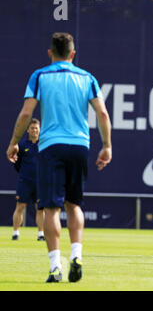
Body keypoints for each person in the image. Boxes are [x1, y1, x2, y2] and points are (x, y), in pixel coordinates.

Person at [6, 32, 112, 283]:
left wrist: (13, 143)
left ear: (50, 53)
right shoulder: (87, 78)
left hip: (51, 146)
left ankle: (55, 266)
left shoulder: (40, 75)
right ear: (73, 54)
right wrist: (107, 145)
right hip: (79, 146)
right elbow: (103, 114)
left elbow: (25, 114)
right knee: (74, 205)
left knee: (51, 208)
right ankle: (77, 255)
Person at [11, 118, 45, 241]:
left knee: (40, 208)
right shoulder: (21, 145)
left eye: (36, 128)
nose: (34, 130)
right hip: (25, 181)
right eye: (32, 128)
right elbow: (16, 163)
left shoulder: (44, 144)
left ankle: (41, 234)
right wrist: (24, 174)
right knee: (20, 207)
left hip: (40, 182)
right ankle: (15, 232)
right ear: (28, 130)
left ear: (40, 130)